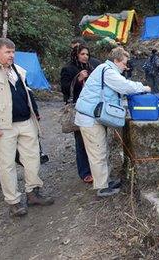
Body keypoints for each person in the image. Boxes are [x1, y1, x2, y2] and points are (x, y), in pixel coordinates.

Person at [0, 38, 54, 217]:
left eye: (13, 52)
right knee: (6, 166)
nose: (12, 55)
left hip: (25, 122)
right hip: (3, 126)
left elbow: (27, 93)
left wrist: (35, 113)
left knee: (32, 159)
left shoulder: (18, 70)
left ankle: (33, 193)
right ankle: (13, 202)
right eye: (8, 52)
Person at [74, 47, 151, 197]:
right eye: (124, 63)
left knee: (101, 150)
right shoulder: (108, 71)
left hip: (93, 115)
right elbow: (125, 86)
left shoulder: (106, 70)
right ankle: (101, 188)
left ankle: (104, 181)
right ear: (116, 61)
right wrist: (144, 88)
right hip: (89, 117)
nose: (125, 66)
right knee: (98, 152)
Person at [60, 44, 94, 183]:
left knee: (93, 139)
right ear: (76, 54)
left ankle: (95, 168)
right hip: (78, 109)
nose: (85, 56)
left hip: (91, 107)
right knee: (80, 141)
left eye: (87, 54)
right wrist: (78, 79)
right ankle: (84, 171)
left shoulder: (90, 68)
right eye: (82, 54)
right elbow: (64, 89)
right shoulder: (68, 69)